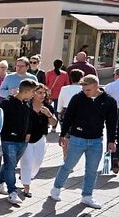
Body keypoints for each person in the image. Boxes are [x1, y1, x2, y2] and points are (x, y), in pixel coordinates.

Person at [50, 75, 118, 209]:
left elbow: (112, 123)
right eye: (84, 89)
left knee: (92, 170)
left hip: (96, 141)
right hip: (77, 138)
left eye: (88, 90)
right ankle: (56, 188)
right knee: (68, 165)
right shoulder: (78, 98)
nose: (85, 92)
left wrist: (111, 140)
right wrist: (63, 134)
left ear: (97, 86)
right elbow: (68, 116)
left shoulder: (109, 101)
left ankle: (87, 196)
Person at [0, 80, 36, 206]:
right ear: (26, 91)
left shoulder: (27, 103)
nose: (34, 94)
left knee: (10, 164)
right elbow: (0, 121)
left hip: (23, 141)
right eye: (33, 91)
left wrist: (28, 133)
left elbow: (29, 119)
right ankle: (12, 191)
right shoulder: (7, 103)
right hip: (9, 140)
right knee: (11, 166)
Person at [20, 85, 57, 198]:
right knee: (27, 162)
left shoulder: (47, 107)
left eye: (43, 93)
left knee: (37, 163)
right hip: (26, 139)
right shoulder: (26, 105)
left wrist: (49, 115)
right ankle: (26, 187)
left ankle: (27, 177)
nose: (42, 95)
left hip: (40, 138)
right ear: (33, 93)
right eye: (39, 92)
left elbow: (54, 123)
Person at [103, 68, 119, 173]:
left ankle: (107, 164)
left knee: (110, 137)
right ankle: (116, 158)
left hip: (112, 113)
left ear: (116, 75)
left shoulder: (109, 86)